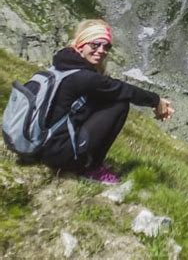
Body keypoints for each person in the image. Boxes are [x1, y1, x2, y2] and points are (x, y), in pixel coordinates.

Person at [38, 19, 174, 184]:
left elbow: (107, 88)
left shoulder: (63, 65)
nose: (101, 51)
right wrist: (156, 100)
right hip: (55, 154)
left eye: (106, 46)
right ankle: (91, 168)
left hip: (41, 145)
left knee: (107, 100)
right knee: (120, 104)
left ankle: (81, 159)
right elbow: (123, 90)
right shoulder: (83, 77)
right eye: (95, 45)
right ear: (81, 45)